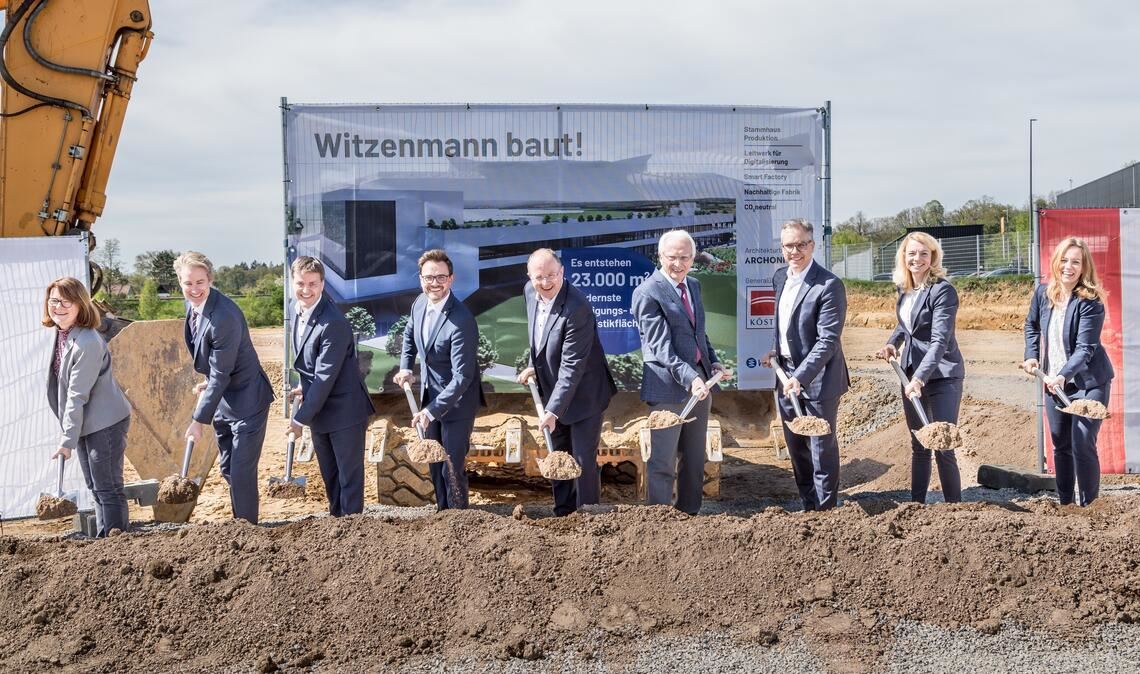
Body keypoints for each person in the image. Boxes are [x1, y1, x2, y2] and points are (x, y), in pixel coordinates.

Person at [631, 230, 732, 515]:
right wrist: (691, 377)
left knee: (694, 458)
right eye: (672, 257)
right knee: (662, 462)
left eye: (684, 257)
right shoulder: (647, 292)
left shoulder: (694, 285)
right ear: (660, 256)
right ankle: (659, 522)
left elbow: (699, 333)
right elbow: (660, 348)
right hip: (667, 389)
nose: (678, 263)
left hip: (700, 387)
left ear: (693, 258)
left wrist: (712, 362)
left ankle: (689, 517)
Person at [517, 248, 617, 516]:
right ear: (529, 276)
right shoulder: (530, 292)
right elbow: (538, 336)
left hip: (585, 394)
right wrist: (532, 365)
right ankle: (563, 514)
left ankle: (589, 518)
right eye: (539, 277)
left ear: (562, 272)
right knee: (558, 455)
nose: (546, 282)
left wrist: (552, 411)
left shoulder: (577, 308)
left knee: (582, 460)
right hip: (553, 390)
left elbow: (572, 366)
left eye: (552, 275)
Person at [176, 251, 274, 524]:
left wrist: (198, 420)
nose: (194, 289)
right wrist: (208, 383)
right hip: (223, 398)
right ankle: (239, 523)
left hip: (248, 401)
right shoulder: (194, 306)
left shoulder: (224, 317)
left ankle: (247, 529)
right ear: (179, 283)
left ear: (210, 279)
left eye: (200, 282)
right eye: (188, 283)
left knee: (242, 471)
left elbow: (222, 372)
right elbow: (217, 366)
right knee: (229, 467)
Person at [762, 218, 849, 511]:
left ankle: (825, 513)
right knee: (797, 448)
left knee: (820, 448)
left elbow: (827, 340)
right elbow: (788, 327)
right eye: (789, 245)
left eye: (801, 244)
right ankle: (808, 507)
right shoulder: (779, 278)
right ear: (782, 248)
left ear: (813, 245)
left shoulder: (829, 285)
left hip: (819, 380)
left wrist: (799, 376)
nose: (795, 251)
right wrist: (776, 352)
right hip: (785, 376)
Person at [1022, 236, 1113, 507]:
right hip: (1054, 383)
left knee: (1082, 442)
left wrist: (1062, 375)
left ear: (1084, 267)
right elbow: (1031, 326)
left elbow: (1086, 349)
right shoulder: (1043, 293)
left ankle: (1089, 507)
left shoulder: (1090, 301)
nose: (1068, 267)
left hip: (1088, 382)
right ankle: (1066, 505)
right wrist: (1031, 356)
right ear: (1055, 261)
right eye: (1064, 260)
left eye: (1076, 262)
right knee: (1060, 446)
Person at [874, 232, 965, 504]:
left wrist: (920, 378)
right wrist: (892, 344)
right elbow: (905, 326)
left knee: (942, 443)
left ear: (933, 257)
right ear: (904, 257)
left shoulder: (943, 291)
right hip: (911, 373)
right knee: (919, 444)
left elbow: (940, 341)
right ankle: (916, 506)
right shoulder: (905, 289)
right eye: (912, 253)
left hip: (942, 376)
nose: (917, 258)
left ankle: (955, 508)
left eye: (924, 253)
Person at [395, 249, 484, 510]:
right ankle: (442, 515)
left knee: (452, 466)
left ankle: (459, 520)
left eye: (441, 277)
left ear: (452, 278)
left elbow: (462, 376)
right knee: (434, 462)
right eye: (428, 277)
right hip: (429, 396)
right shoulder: (419, 304)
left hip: (457, 403)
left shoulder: (461, 320)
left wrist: (431, 411)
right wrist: (406, 367)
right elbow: (409, 334)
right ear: (420, 278)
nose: (434, 283)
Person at [43, 277, 132, 537]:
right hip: (86, 422)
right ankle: (106, 540)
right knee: (95, 486)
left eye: (65, 301)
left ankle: (115, 544)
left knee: (108, 487)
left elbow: (76, 395)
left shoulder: (88, 342)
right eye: (53, 301)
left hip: (106, 422)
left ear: (80, 305)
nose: (58, 307)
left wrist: (67, 441)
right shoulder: (62, 334)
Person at [287, 256, 375, 516]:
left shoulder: (332, 322)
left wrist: (299, 420)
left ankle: (352, 533)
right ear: (292, 282)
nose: (306, 290)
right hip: (321, 410)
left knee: (349, 481)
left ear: (323, 284)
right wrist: (305, 388)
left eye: (313, 284)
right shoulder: (297, 309)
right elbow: (311, 367)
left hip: (345, 412)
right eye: (301, 283)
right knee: (331, 479)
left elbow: (326, 376)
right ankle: (337, 529)